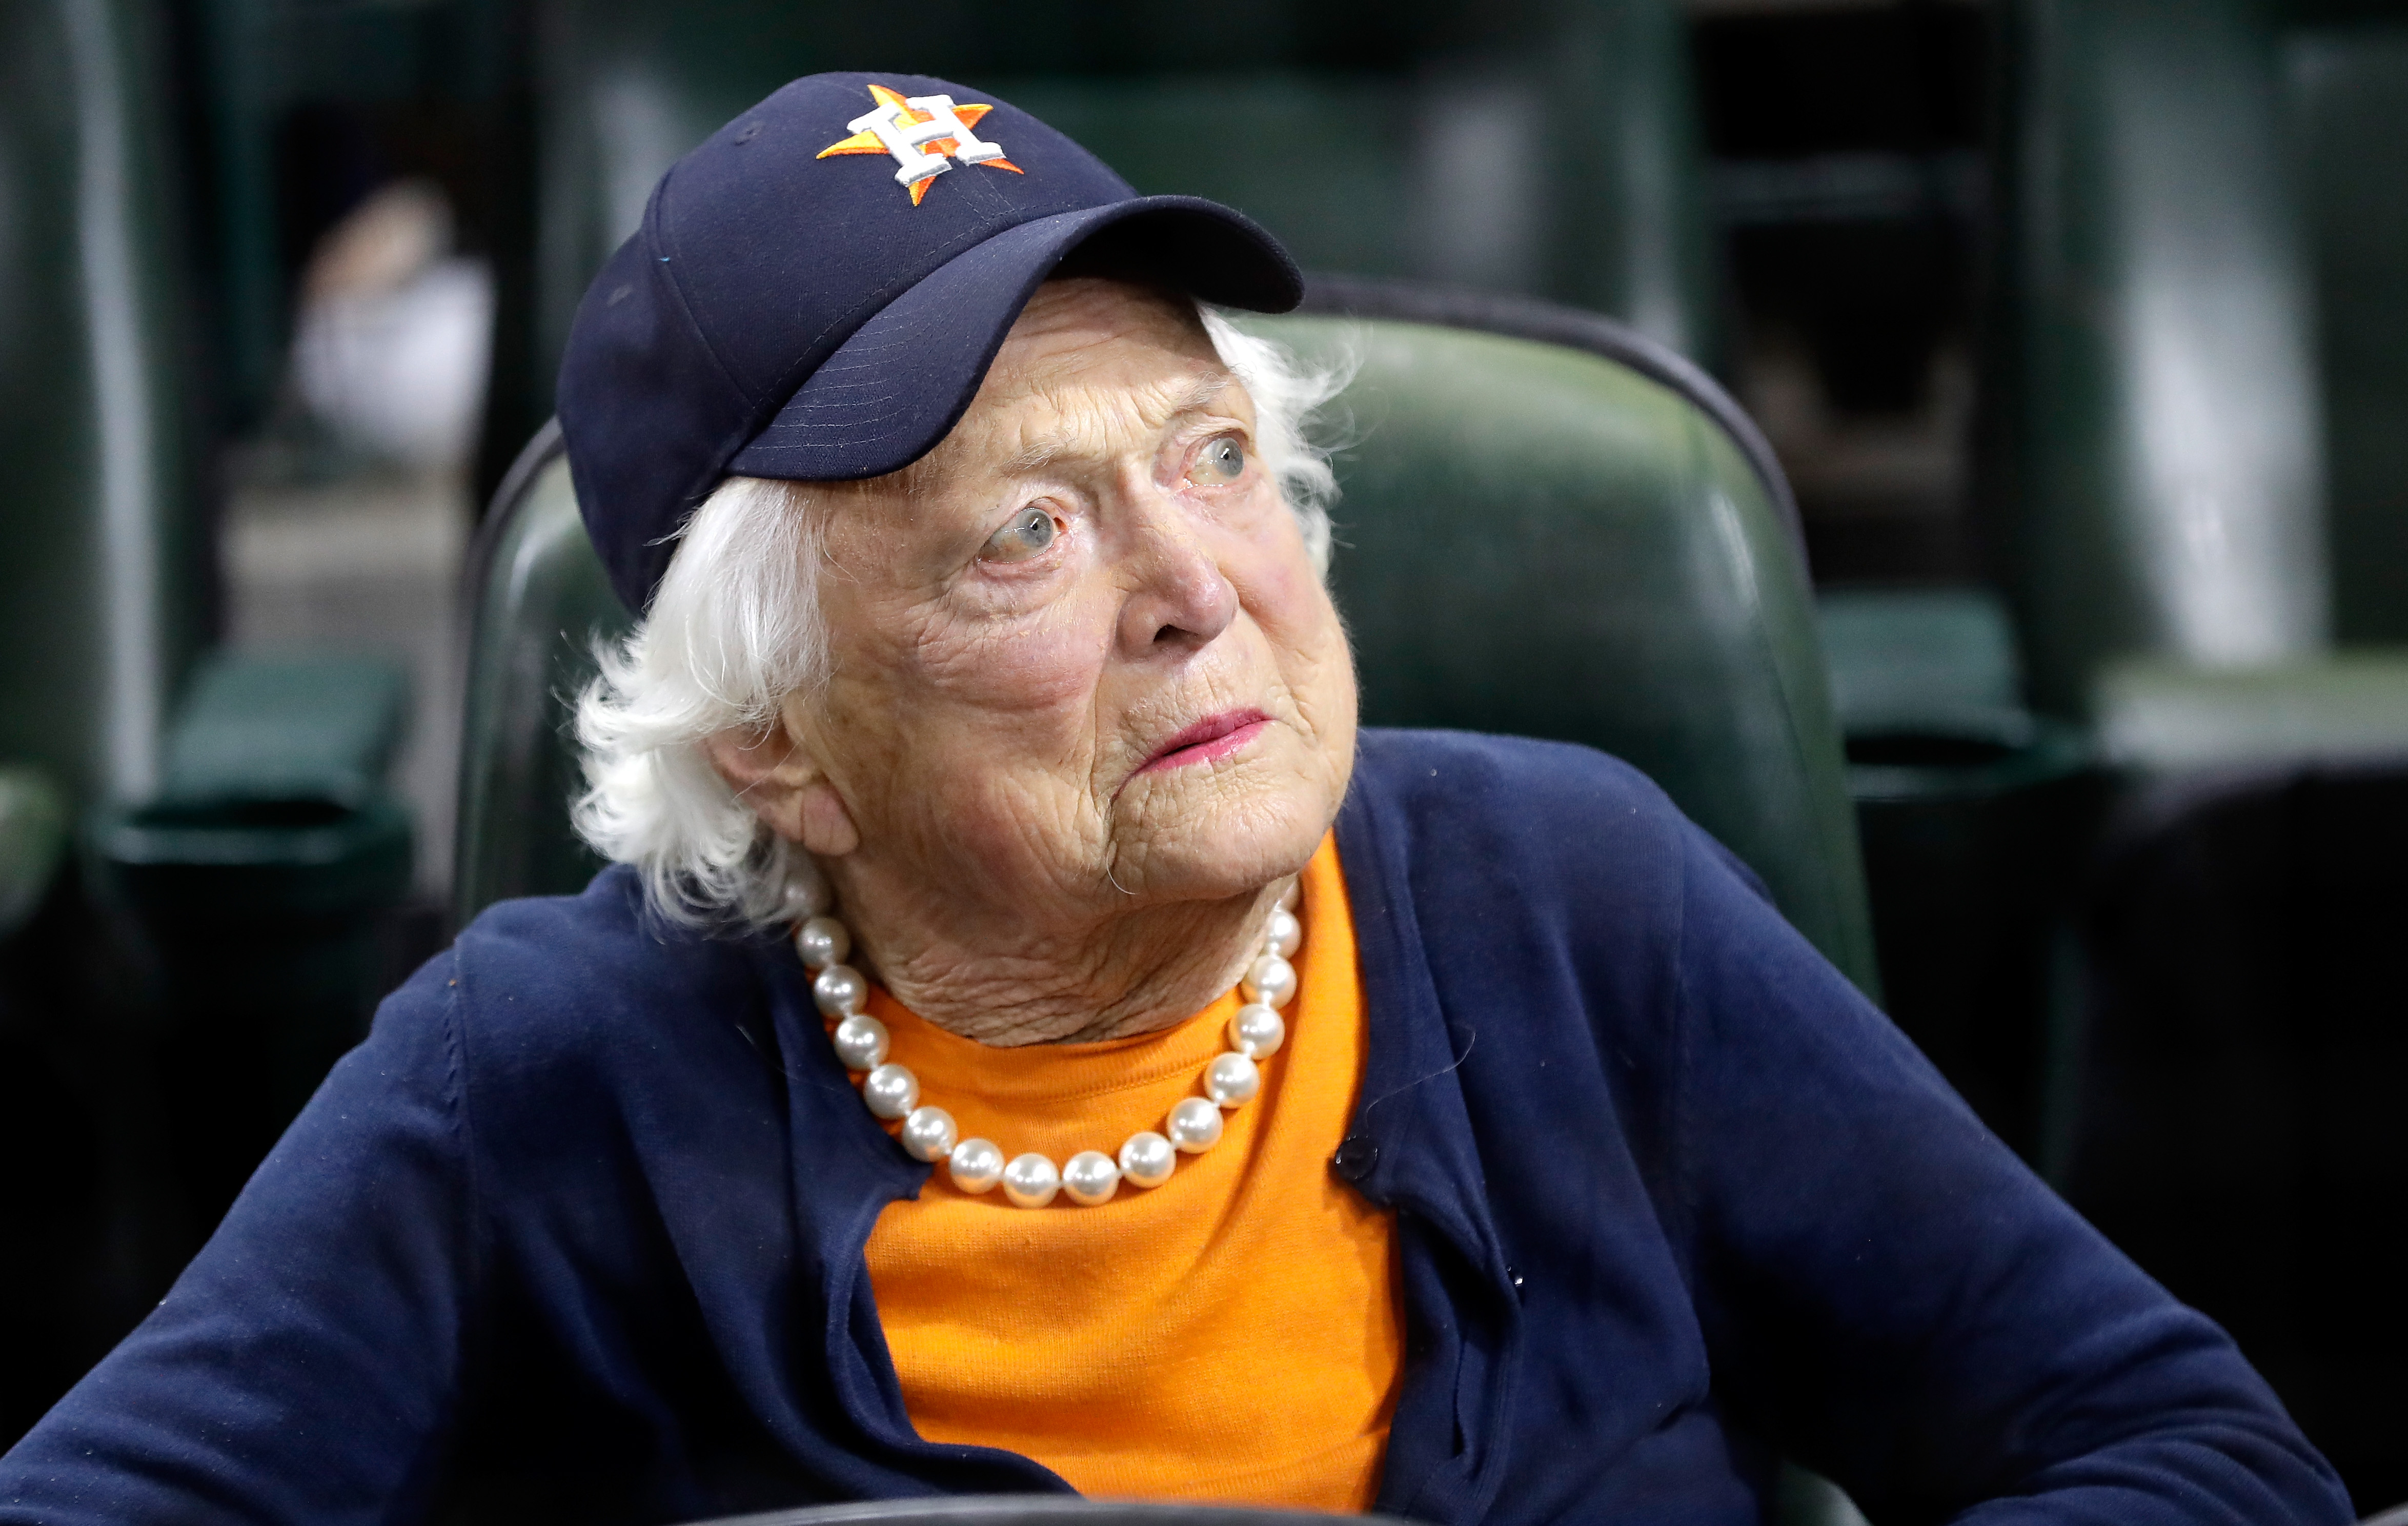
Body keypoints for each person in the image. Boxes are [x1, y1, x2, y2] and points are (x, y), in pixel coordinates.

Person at [0, 72, 2351, 1526]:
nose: (1196, 591)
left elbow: (2186, 1455)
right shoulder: (536, 1083)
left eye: (1213, 457)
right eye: (1024, 531)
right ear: (779, 740)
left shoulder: (1578, 902)